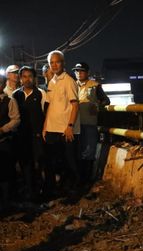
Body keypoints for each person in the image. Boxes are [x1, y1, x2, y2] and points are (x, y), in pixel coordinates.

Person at [42, 50, 80, 198]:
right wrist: (45, 126)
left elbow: (75, 105)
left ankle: (75, 190)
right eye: (51, 62)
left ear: (63, 63)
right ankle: (60, 190)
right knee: (54, 161)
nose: (54, 65)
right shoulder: (51, 82)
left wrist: (70, 126)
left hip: (65, 129)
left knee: (70, 161)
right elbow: (50, 107)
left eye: (57, 61)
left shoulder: (69, 81)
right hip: (52, 129)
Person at [12, 66, 47, 201]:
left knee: (38, 163)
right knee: (25, 164)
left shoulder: (41, 94)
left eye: (30, 76)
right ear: (20, 79)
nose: (27, 79)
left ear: (34, 78)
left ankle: (40, 191)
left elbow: (46, 114)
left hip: (37, 136)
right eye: (24, 76)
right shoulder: (16, 95)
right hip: (21, 137)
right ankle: (29, 191)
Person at [72, 62, 110, 184]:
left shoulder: (95, 85)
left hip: (89, 123)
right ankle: (78, 179)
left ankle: (87, 180)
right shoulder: (71, 85)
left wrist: (97, 105)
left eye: (81, 71)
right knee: (76, 152)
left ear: (87, 73)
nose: (79, 73)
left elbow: (106, 100)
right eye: (77, 71)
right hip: (74, 124)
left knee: (89, 151)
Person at [0, 75, 21, 212]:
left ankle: (6, 202)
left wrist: (3, 129)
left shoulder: (9, 101)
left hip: (3, 142)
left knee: (5, 173)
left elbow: (16, 119)